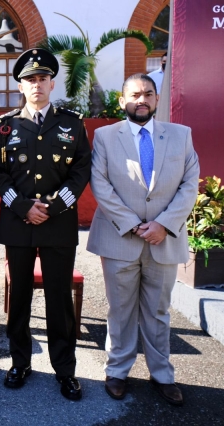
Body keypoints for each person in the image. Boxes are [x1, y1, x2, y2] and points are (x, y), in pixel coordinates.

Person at [87, 73, 199, 406]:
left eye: (148, 94)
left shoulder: (181, 135)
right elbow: (100, 185)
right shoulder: (105, 137)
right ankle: (117, 370)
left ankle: (162, 374)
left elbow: (189, 184)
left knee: (158, 311)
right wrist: (134, 224)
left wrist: (163, 224)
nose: (142, 99)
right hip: (120, 237)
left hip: (163, 239)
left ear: (156, 99)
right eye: (135, 94)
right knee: (120, 310)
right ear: (122, 101)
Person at [0, 48, 91, 401]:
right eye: (30, 80)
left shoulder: (71, 123)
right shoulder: (7, 125)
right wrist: (20, 206)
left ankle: (65, 369)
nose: (37, 85)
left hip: (57, 222)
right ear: (21, 86)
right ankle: (20, 361)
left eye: (42, 79)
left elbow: (80, 170)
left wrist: (52, 206)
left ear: (51, 83)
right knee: (18, 297)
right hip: (18, 223)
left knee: (59, 299)